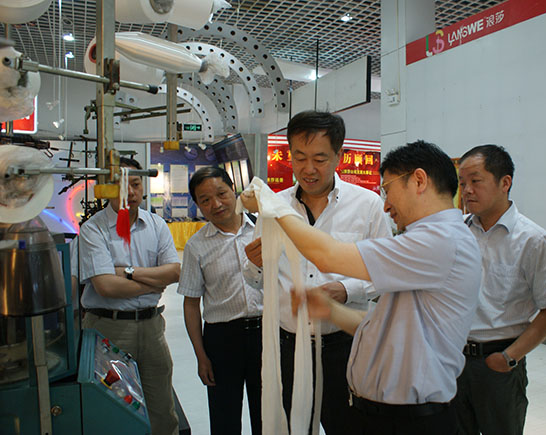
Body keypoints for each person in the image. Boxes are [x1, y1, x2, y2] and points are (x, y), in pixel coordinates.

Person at [242, 140, 482, 434]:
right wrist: (330, 310)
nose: (386, 205)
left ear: (419, 180)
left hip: (410, 421)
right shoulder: (429, 241)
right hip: (386, 414)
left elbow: (327, 256)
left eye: (388, 189)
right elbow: (384, 326)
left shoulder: (440, 241)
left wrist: (272, 206)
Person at [246, 110, 391, 434]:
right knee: (291, 426)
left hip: (345, 346)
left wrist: (345, 289)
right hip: (289, 345)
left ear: (339, 156)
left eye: (320, 159)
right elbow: (255, 281)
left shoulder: (367, 206)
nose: (308, 169)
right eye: (299, 158)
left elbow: (384, 272)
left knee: (351, 427)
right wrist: (256, 264)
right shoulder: (273, 208)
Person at [452, 145, 546, 434]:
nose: (467, 190)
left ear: (505, 183)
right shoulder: (456, 232)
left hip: (497, 364)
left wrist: (509, 357)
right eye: (462, 183)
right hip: (452, 360)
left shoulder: (534, 240)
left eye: (476, 181)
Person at [79, 157, 180, 435]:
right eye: (122, 186)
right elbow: (106, 287)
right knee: (112, 408)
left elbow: (173, 272)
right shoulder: (93, 229)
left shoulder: (156, 225)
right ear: (107, 189)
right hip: (109, 328)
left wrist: (127, 272)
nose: (130, 192)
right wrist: (153, 283)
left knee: (162, 408)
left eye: (135, 184)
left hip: (152, 329)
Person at [177, 167, 263, 435]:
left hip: (266, 334)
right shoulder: (196, 246)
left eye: (221, 194)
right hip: (222, 340)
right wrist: (201, 356)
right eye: (205, 200)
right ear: (198, 205)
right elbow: (191, 304)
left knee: (268, 416)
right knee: (224, 419)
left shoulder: (263, 230)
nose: (216, 204)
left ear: (234, 190)